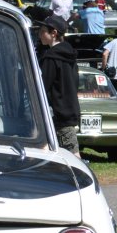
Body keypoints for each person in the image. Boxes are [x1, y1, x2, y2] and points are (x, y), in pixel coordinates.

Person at [36, 14, 81, 149]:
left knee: (72, 156)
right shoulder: (70, 55)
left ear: (54, 33)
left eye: (43, 31)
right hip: (70, 111)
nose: (39, 35)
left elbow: (42, 87)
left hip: (58, 116)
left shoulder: (51, 57)